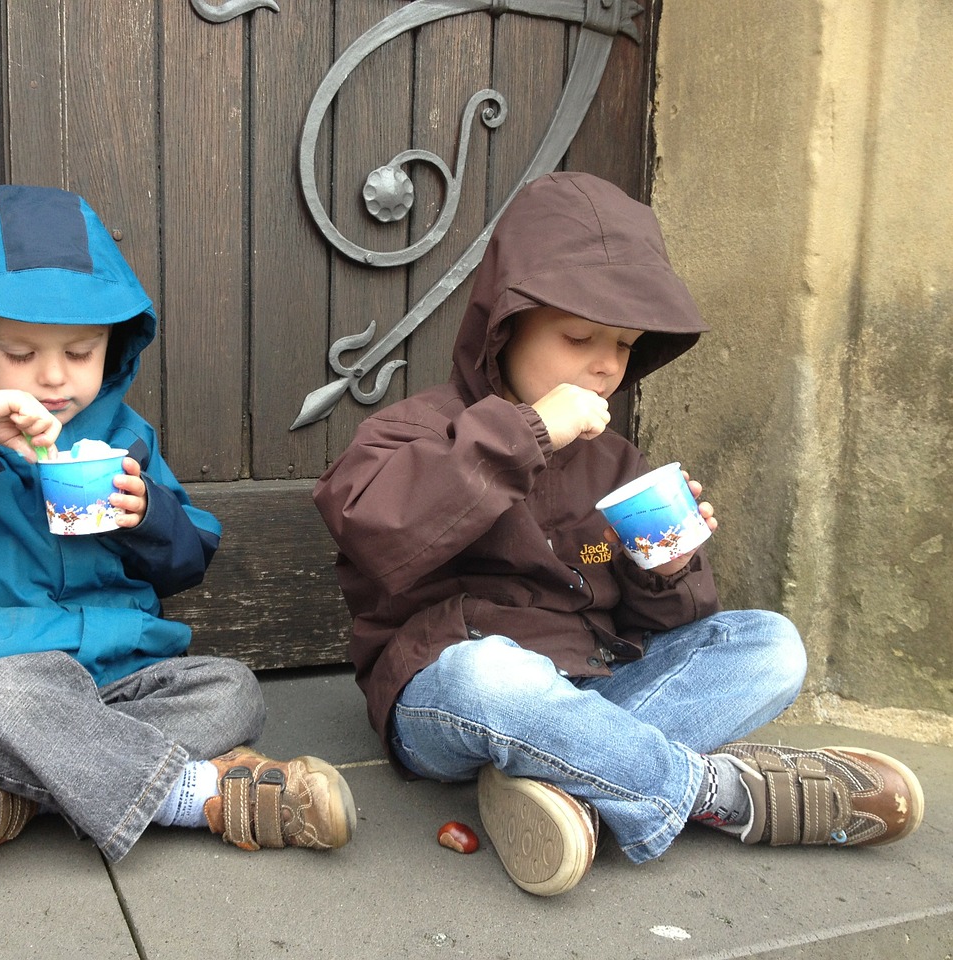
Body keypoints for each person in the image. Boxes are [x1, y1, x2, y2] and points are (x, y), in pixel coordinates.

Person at [311, 171, 922, 897]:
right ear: (505, 328)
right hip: (451, 693)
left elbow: (661, 627)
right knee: (495, 675)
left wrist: (667, 568)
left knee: (770, 646)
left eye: (625, 344)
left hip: (593, 682)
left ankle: (570, 783)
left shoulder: (615, 461)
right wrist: (529, 432)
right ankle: (721, 795)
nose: (605, 364)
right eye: (578, 337)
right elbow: (373, 531)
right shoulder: (413, 430)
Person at [0, 184, 355, 880]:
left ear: (114, 347)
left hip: (125, 680)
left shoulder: (127, 443)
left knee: (234, 687)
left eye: (81, 351)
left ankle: (16, 797)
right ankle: (201, 796)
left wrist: (147, 515)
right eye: (20, 353)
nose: (54, 377)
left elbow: (187, 562)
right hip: (3, 685)